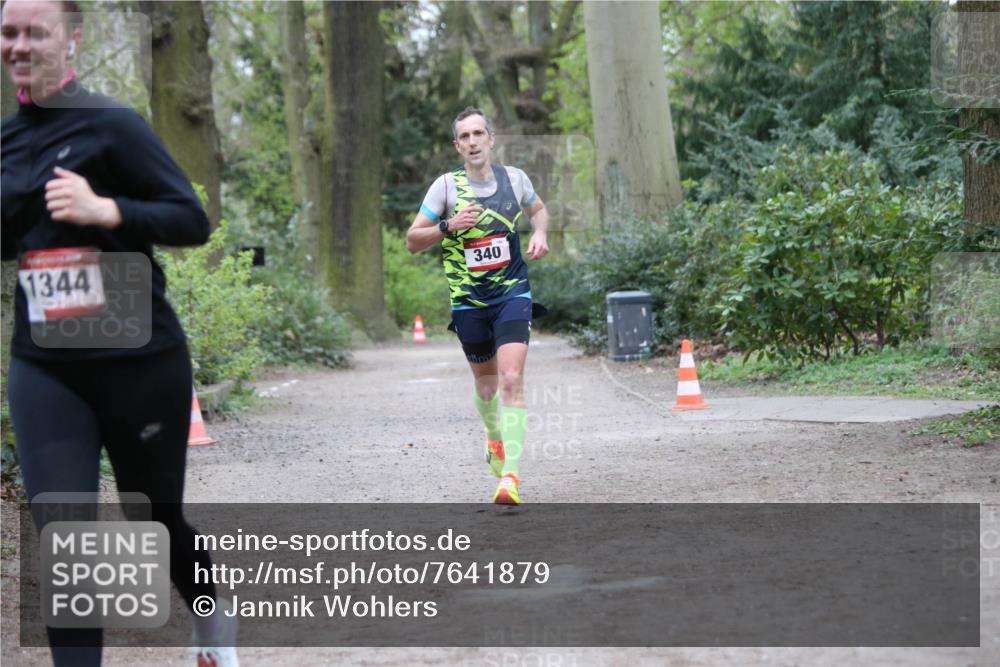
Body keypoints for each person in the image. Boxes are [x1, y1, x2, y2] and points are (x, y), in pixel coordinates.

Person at [1, 2, 237, 665]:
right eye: (7, 32)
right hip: (46, 366)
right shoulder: (6, 144)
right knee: (66, 538)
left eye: (34, 32)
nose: (18, 45)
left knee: (154, 520)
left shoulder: (114, 126)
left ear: (72, 39)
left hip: (139, 361)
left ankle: (213, 618)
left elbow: (190, 219)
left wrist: (107, 209)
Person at [407, 107, 550, 506]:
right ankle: (493, 435)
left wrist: (540, 233)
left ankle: (511, 477)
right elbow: (413, 240)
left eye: (478, 134)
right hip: (469, 303)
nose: (472, 142)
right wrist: (449, 226)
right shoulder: (446, 188)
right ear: (457, 145)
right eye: (464, 137)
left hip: (512, 295)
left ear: (491, 138)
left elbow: (538, 209)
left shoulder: (515, 179)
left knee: (509, 378)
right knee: (486, 387)